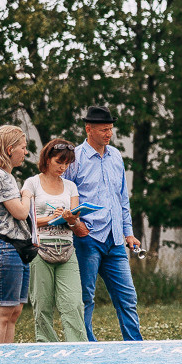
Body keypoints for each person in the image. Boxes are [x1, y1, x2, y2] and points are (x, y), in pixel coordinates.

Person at [64, 105, 144, 341]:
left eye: (110, 129)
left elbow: (122, 198)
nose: (109, 134)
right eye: (103, 130)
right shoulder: (75, 158)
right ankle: (86, 345)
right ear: (88, 129)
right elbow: (64, 195)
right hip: (87, 238)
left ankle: (135, 345)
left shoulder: (116, 156)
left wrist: (128, 232)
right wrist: (76, 225)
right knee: (86, 297)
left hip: (115, 239)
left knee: (127, 297)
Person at [23, 138, 90, 342]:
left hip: (67, 249)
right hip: (40, 249)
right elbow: (25, 219)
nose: (63, 167)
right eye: (59, 162)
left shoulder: (70, 187)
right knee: (42, 304)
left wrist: (71, 219)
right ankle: (46, 346)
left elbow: (77, 224)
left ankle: (78, 348)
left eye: (67, 163)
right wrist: (51, 218)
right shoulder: (32, 183)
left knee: (74, 303)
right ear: (47, 159)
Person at [0, 125, 34, 343]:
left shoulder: (6, 176)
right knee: (2, 313)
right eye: (23, 147)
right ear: (10, 149)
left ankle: (6, 359)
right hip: (3, 248)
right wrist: (27, 195)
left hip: (15, 249)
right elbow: (20, 212)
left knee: (13, 312)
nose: (26, 152)